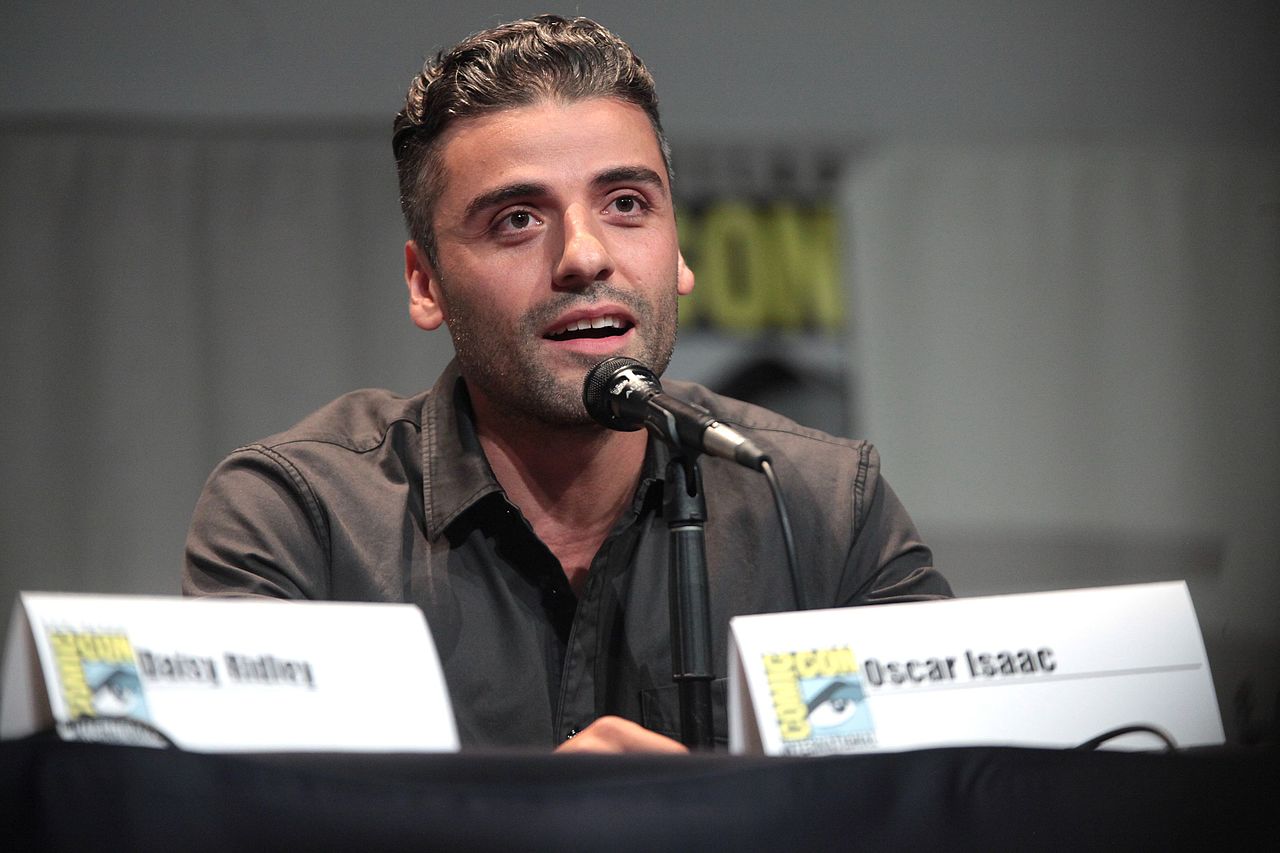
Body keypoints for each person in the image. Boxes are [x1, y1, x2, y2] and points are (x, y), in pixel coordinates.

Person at [184, 14, 951, 753]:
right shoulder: (303, 520)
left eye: (626, 204)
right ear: (426, 284)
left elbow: (948, 797)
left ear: (679, 251)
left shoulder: (824, 504)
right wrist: (535, 817)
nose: (584, 256)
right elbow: (240, 815)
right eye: (517, 219)